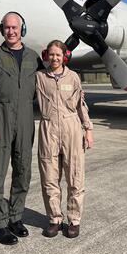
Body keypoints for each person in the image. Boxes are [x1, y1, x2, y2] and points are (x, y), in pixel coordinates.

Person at [0, 11, 44, 245]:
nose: (11, 31)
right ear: (2, 30)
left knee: (23, 169)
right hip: (0, 116)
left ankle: (15, 216)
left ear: (22, 29)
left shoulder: (34, 58)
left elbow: (49, 82)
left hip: (25, 116)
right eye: (7, 28)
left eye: (15, 27)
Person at [36, 40, 93, 238]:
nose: (54, 58)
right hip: (48, 128)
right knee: (49, 177)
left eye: (58, 55)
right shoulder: (39, 78)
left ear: (64, 56)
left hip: (71, 129)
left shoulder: (73, 77)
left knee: (75, 177)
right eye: (51, 54)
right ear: (46, 55)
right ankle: (54, 219)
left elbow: (80, 105)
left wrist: (88, 129)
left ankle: (74, 220)